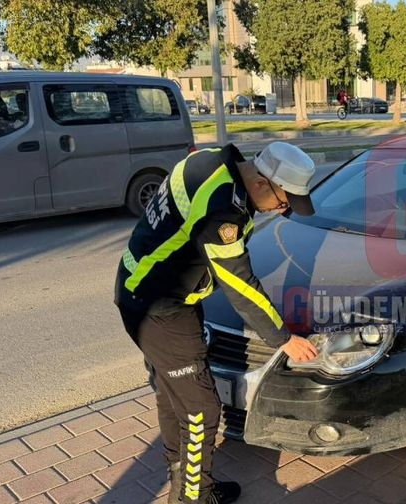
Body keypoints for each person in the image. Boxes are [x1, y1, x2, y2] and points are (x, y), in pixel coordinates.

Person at [114, 142, 320, 504]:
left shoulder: (209, 160)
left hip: (145, 290)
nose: (283, 210)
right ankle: (195, 498)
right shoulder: (224, 210)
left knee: (174, 398)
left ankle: (189, 485)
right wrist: (283, 338)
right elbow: (239, 283)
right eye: (284, 202)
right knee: (201, 410)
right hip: (159, 307)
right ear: (262, 183)